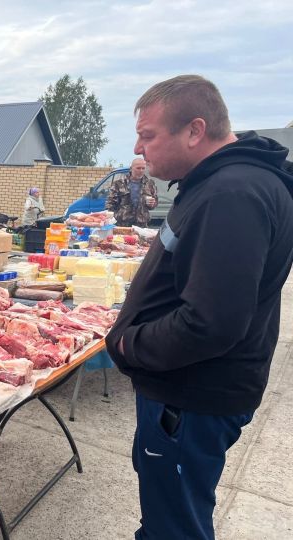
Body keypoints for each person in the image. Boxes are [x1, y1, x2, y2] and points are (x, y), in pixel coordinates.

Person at [105, 74, 293, 540]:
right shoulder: (223, 183)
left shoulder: (232, 195)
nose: (138, 148)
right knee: (169, 516)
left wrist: (128, 343)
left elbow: (210, 323)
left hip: (191, 399)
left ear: (194, 130)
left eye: (148, 135)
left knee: (176, 527)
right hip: (191, 394)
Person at [105, 157, 158, 227]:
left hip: (141, 225)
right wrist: (112, 220)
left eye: (143, 168)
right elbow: (109, 205)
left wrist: (152, 204)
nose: (141, 170)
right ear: (131, 168)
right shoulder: (119, 184)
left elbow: (155, 203)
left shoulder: (150, 184)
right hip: (122, 225)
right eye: (138, 168)